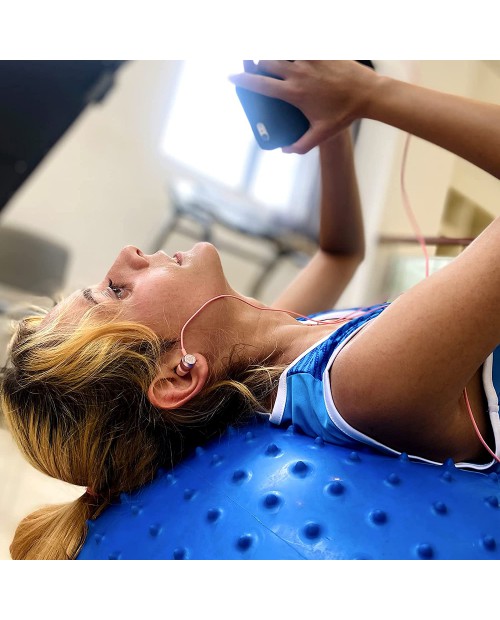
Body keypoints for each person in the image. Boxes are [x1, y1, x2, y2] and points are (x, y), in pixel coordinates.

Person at [2, 60, 500, 561]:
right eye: (114, 290)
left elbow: (339, 253)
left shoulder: (262, 351)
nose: (126, 254)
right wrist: (370, 93)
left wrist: (330, 127)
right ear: (177, 374)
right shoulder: (362, 384)